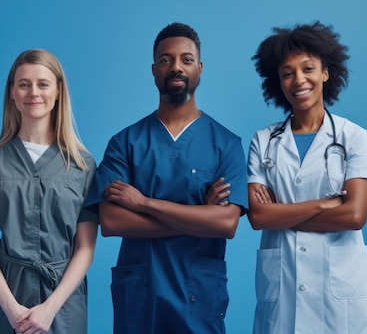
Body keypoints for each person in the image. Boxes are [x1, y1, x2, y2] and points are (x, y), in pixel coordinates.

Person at [84, 22, 248, 334]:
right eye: (165, 60)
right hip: (141, 295)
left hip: (197, 295)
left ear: (200, 68)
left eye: (186, 60)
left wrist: (143, 203)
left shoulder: (226, 144)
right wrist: (200, 215)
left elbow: (226, 224)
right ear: (153, 70)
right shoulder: (125, 143)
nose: (176, 67)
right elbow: (112, 222)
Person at [247, 21, 367, 333]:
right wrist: (323, 205)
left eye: (308, 68)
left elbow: (355, 215)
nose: (299, 80)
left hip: (340, 300)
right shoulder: (264, 141)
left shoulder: (353, 137)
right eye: (287, 73)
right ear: (277, 82)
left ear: (325, 72)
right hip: (283, 295)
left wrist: (280, 214)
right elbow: (257, 216)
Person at [0, 49, 97, 334]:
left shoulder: (83, 165)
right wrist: (11, 307)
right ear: (12, 94)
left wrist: (49, 308)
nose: (34, 92)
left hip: (63, 300)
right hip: (5, 296)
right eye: (24, 84)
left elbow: (85, 247)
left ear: (58, 92)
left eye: (43, 84)